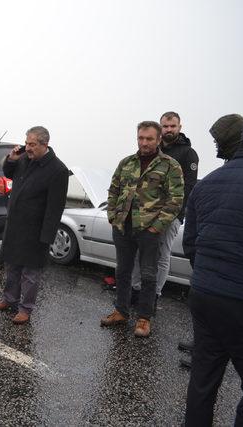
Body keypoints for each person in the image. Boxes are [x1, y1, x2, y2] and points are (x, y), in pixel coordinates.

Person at [183, 119, 243, 426]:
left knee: (203, 380)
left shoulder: (207, 183)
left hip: (205, 295)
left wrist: (211, 276)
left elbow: (191, 245)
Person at [100, 121, 184, 337]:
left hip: (149, 230)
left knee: (148, 275)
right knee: (122, 271)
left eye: (148, 139)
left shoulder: (170, 165)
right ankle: (121, 311)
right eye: (141, 138)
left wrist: (157, 227)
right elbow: (114, 190)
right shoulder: (126, 162)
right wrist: (112, 215)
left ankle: (144, 318)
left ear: (158, 140)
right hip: (123, 227)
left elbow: (176, 200)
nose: (144, 142)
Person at [178, 113, 243, 369]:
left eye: (218, 141)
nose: (215, 146)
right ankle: (202, 347)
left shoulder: (230, 172)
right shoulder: (227, 166)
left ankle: (209, 353)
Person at [0, 126, 69, 325]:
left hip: (36, 230)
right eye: (27, 143)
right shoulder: (24, 159)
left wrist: (47, 237)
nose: (28, 148)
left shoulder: (58, 170)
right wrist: (11, 159)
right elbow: (8, 174)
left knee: (30, 274)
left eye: (32, 144)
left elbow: (55, 207)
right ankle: (9, 299)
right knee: (12, 266)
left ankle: (26, 309)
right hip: (15, 224)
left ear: (45, 144)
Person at [131, 112, 199, 302]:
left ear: (179, 127)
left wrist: (176, 215)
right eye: (166, 126)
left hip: (171, 214)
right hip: (146, 213)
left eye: (173, 126)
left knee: (161, 254)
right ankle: (135, 289)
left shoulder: (188, 153)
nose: (169, 130)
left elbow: (189, 188)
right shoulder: (153, 149)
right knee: (140, 252)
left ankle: (154, 294)